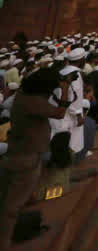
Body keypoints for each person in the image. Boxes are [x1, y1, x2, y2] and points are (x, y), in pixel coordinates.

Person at [0, 67, 70, 249]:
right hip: (26, 158)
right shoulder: (33, 102)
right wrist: (63, 90)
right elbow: (60, 112)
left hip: (17, 154)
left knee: (7, 200)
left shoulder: (23, 96)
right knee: (11, 208)